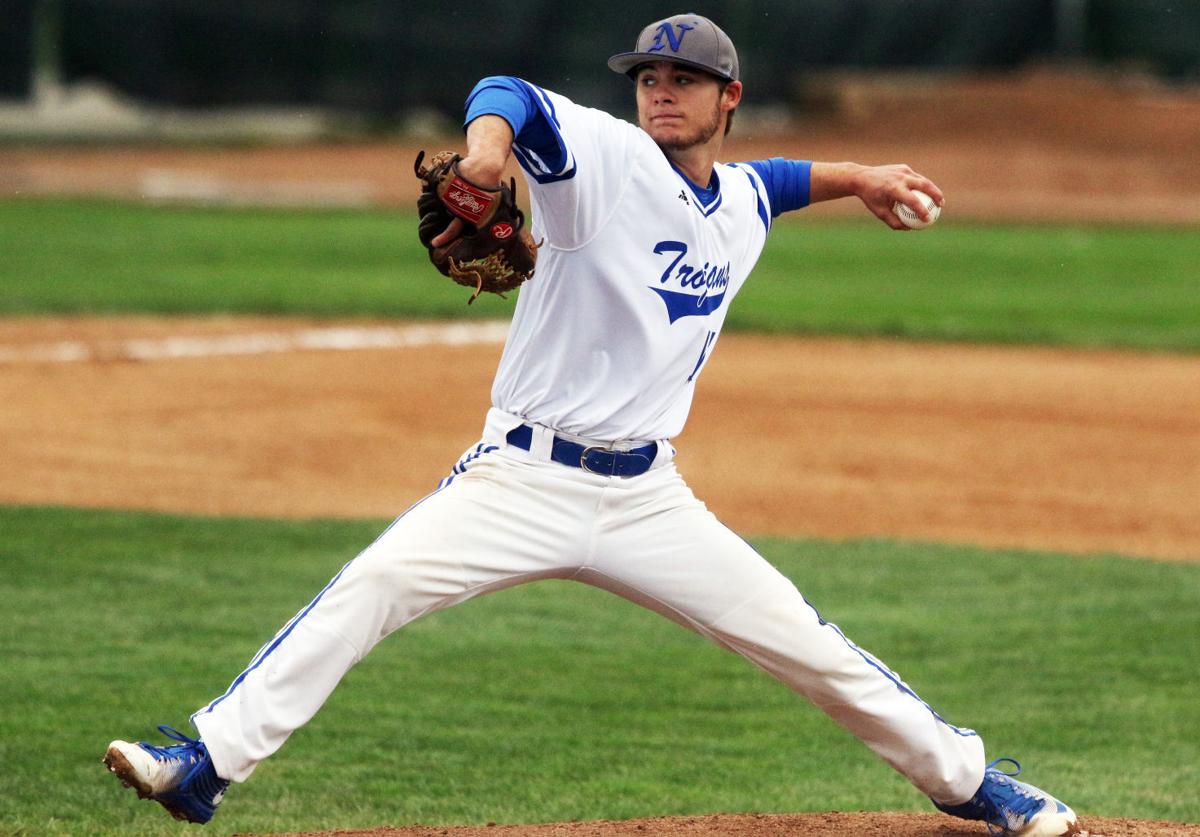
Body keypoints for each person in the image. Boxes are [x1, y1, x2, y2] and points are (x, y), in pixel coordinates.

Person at [104, 14, 1080, 837]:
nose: (663, 90)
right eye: (651, 75)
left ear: (726, 98)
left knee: (803, 640)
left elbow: (772, 181)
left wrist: (860, 175)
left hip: (649, 499)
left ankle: (967, 782)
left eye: (686, 79)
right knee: (376, 585)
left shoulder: (736, 200)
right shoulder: (605, 161)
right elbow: (510, 92)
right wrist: (487, 156)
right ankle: (206, 763)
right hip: (520, 480)